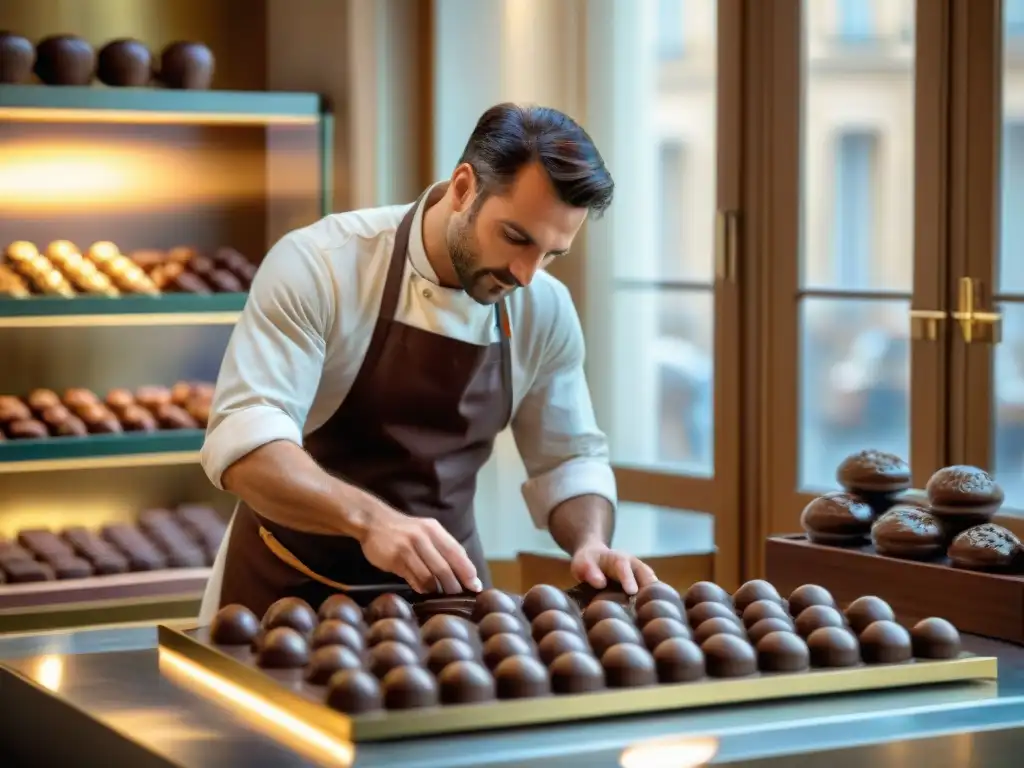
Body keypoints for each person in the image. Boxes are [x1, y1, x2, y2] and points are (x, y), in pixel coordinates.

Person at [197, 103, 658, 621]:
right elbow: (246, 449)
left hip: (447, 605)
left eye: (552, 254)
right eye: (515, 237)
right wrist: (372, 523)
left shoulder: (543, 306)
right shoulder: (321, 265)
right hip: (285, 598)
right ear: (463, 188)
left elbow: (568, 458)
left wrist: (591, 544)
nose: (526, 274)